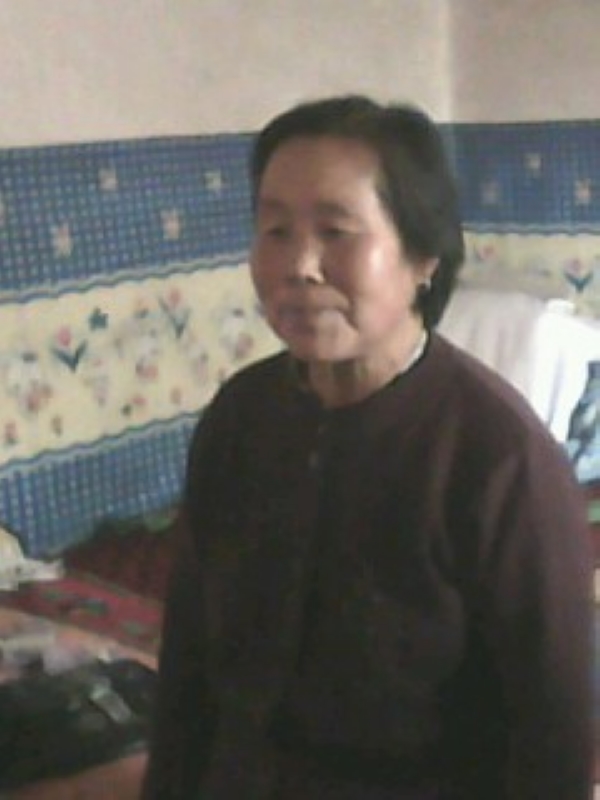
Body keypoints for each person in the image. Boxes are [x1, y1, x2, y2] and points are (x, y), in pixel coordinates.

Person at [141, 96, 593, 799]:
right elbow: (189, 667)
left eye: (336, 232)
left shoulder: (500, 460)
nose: (300, 266)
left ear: (423, 257)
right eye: (276, 230)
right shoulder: (241, 417)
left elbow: (552, 734)